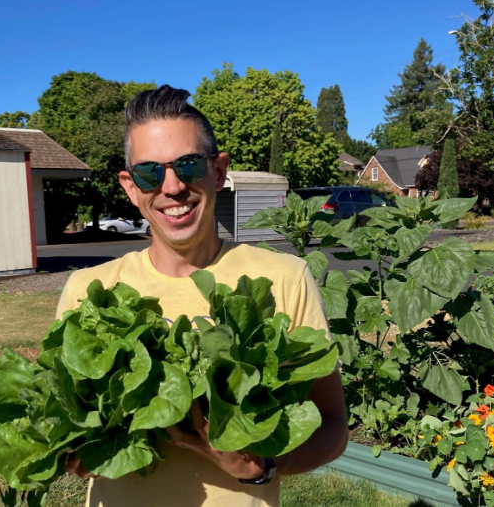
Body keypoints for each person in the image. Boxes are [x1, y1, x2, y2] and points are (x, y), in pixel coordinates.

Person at [56, 85, 348, 507]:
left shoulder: (283, 278)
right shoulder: (88, 291)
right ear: (130, 186)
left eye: (188, 166)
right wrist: (69, 450)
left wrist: (265, 464)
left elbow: (333, 425)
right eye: (149, 173)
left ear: (218, 171)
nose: (172, 187)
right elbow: (63, 418)